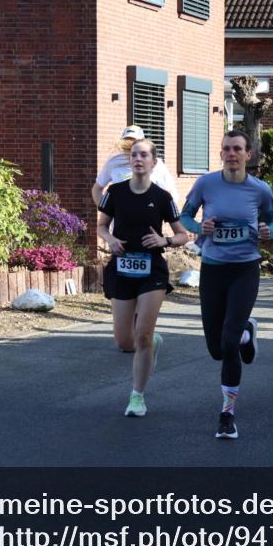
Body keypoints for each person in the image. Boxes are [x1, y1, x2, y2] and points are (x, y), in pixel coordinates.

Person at [179, 130, 273, 439]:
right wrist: (200, 227)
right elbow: (184, 216)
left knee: (229, 340)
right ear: (221, 154)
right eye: (226, 149)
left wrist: (268, 231)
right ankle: (247, 332)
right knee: (216, 348)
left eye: (237, 149)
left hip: (245, 270)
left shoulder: (260, 189)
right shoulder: (206, 184)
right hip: (213, 269)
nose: (231, 154)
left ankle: (227, 414)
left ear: (249, 154)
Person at [97, 139, 189, 417]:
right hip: (122, 269)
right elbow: (101, 226)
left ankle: (137, 396)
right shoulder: (114, 192)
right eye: (134, 154)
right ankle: (150, 343)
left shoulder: (162, 197)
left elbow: (183, 234)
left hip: (152, 270)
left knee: (143, 334)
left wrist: (166, 240)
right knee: (125, 341)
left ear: (153, 162)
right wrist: (110, 239)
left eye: (144, 155)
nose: (138, 159)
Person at [92, 125, 178, 207]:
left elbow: (171, 193)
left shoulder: (156, 164)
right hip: (120, 221)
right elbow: (97, 189)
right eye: (127, 141)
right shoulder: (114, 162)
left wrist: (162, 214)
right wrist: (106, 210)